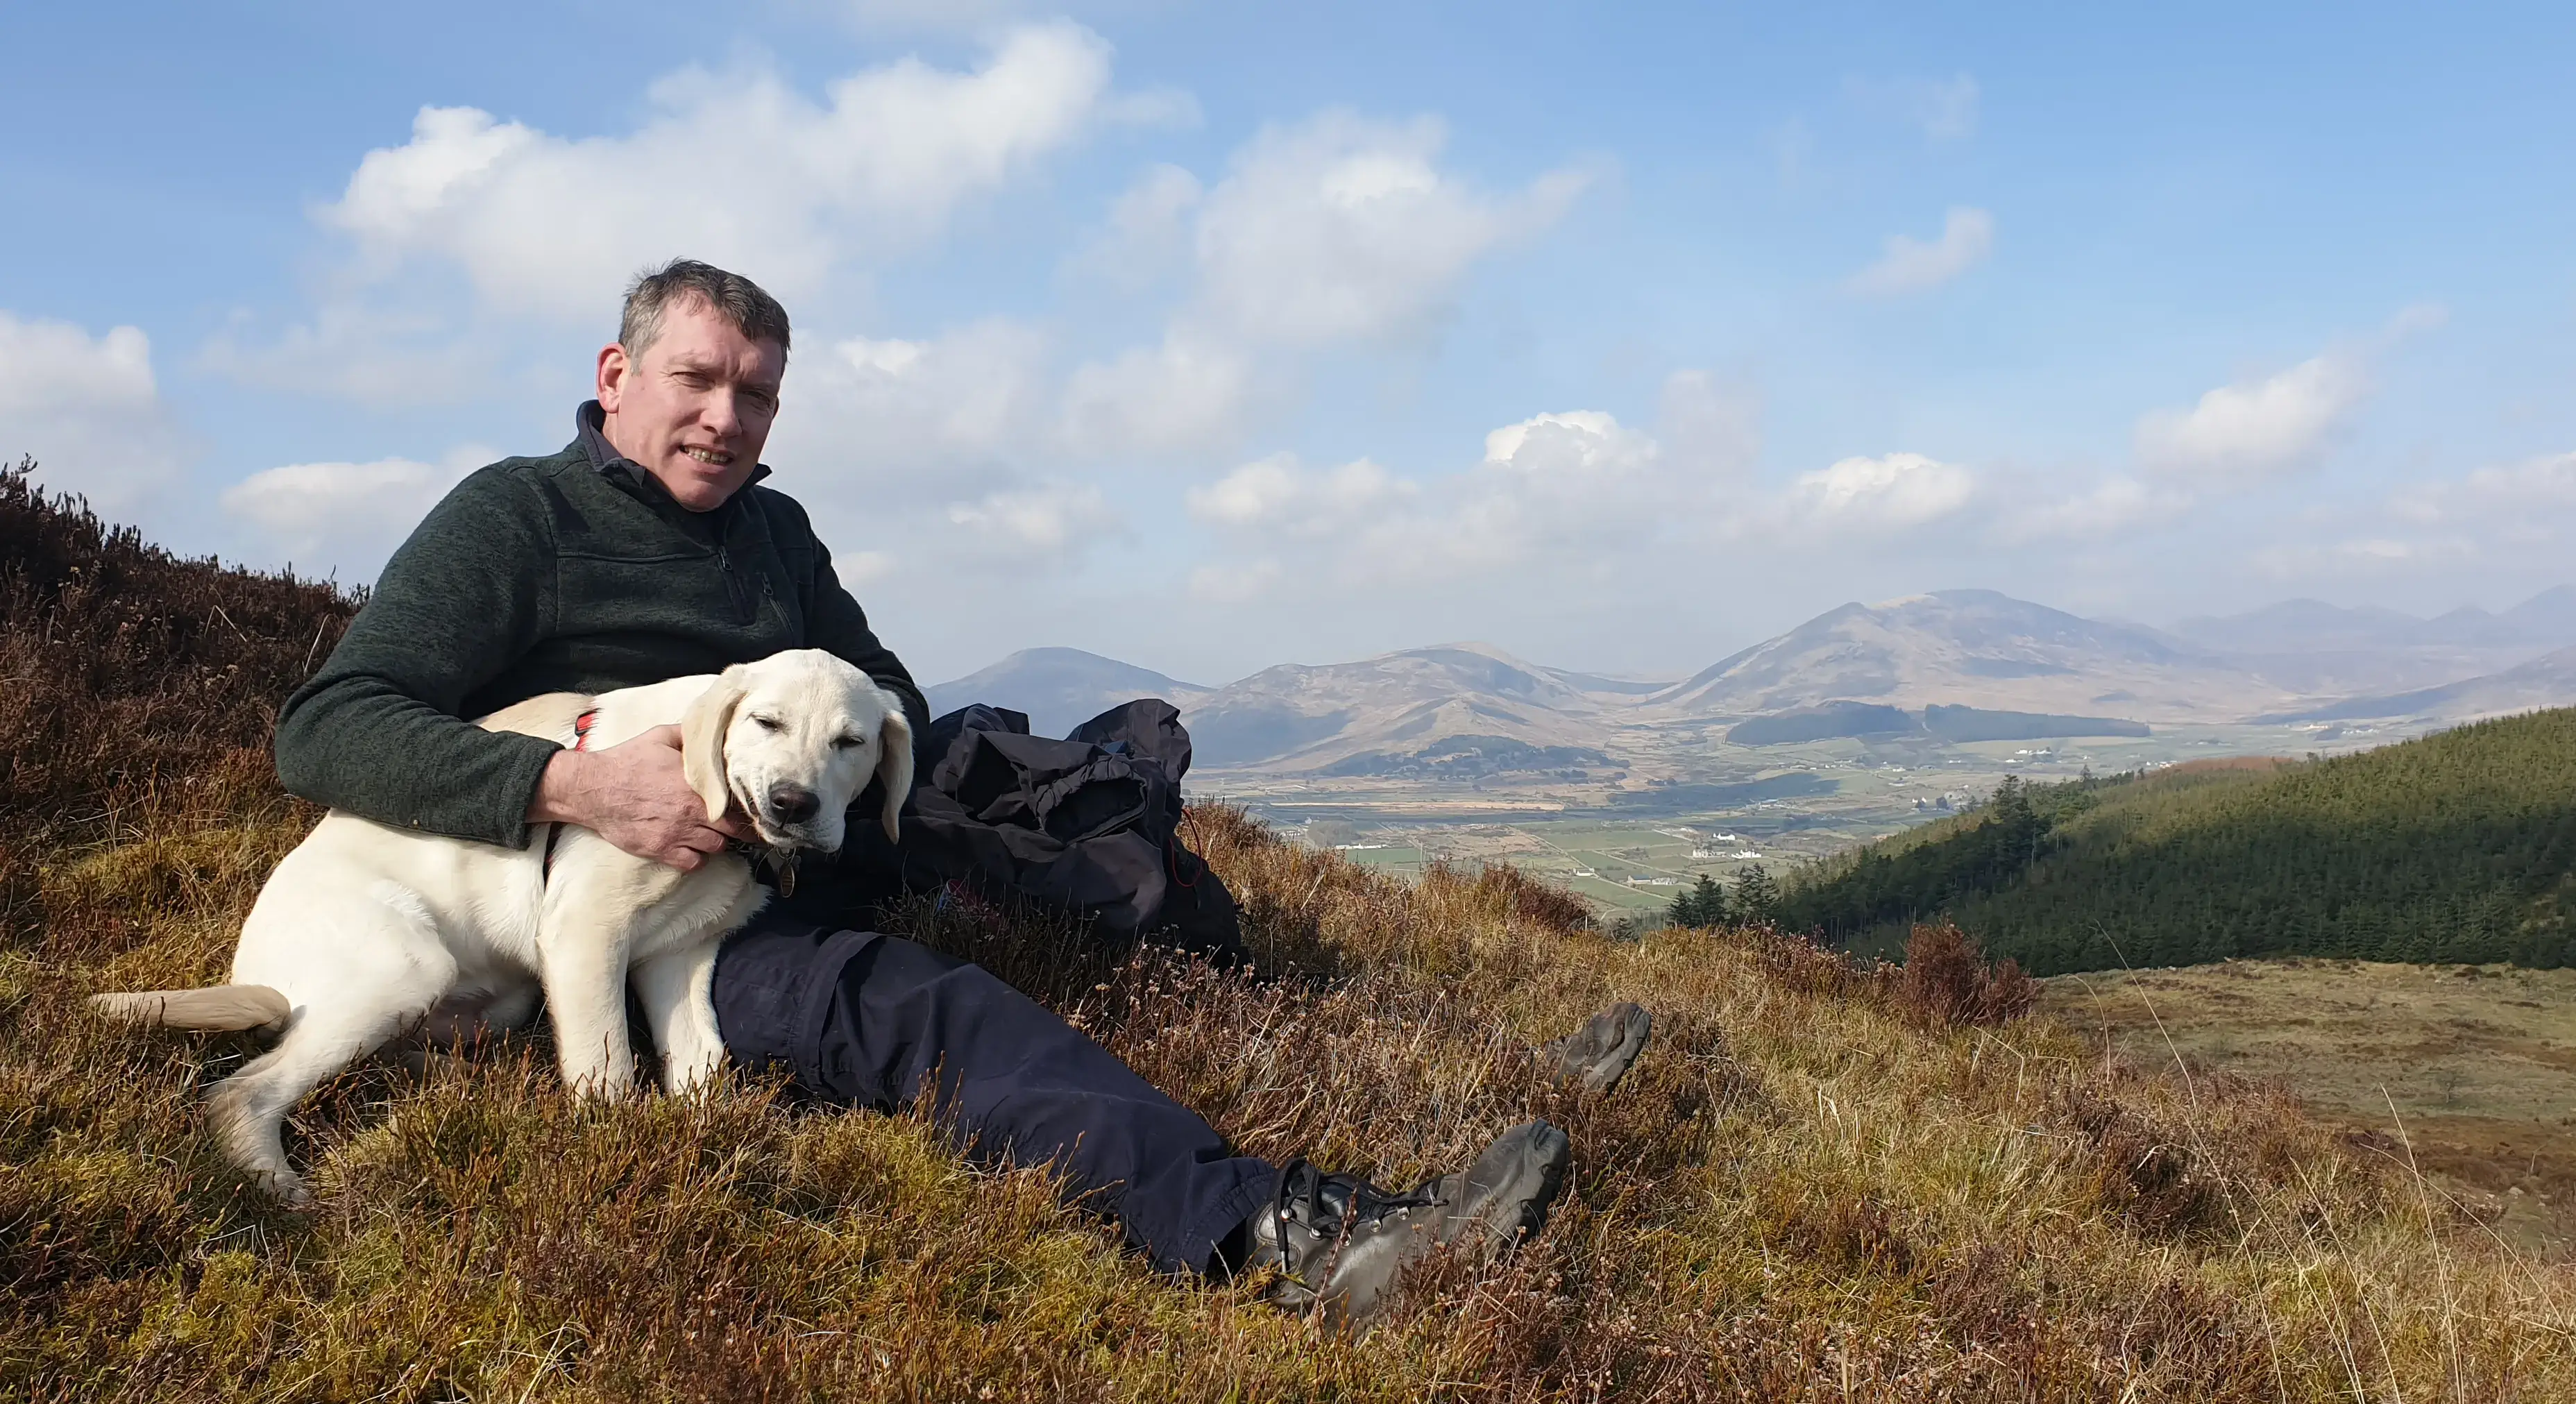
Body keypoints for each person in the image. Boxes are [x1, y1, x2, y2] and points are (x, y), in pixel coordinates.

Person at [276, 260, 1640, 1323]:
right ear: (616, 371)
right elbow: (329, 730)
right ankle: (1287, 1238)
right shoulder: (515, 520)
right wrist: (571, 786)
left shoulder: (771, 529)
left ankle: (1492, 1059)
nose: (726, 419)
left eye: (756, 396)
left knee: (1086, 807)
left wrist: (893, 769)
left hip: (814, 818)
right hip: (654, 901)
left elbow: (885, 685)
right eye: (698, 381)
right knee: (921, 1004)